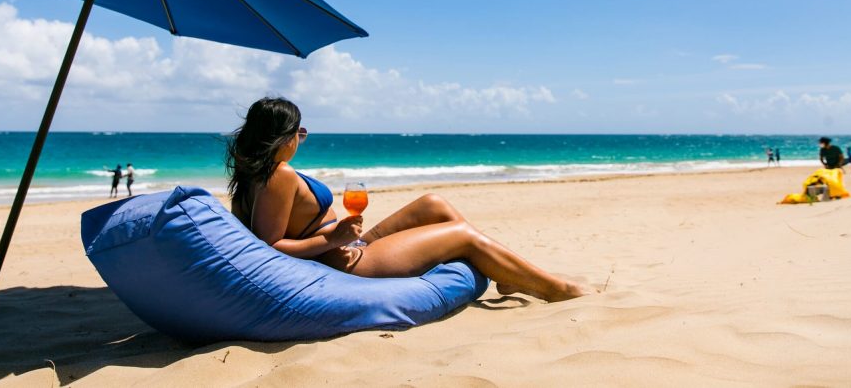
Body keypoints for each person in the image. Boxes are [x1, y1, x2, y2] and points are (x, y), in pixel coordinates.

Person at [225, 97, 588, 303]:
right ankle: (555, 289)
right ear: (282, 136)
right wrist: (333, 239)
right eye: (299, 132)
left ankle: (508, 275)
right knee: (460, 234)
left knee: (433, 203)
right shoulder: (279, 174)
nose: (301, 139)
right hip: (347, 262)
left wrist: (338, 235)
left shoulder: (249, 179)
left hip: (344, 246)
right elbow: (270, 247)